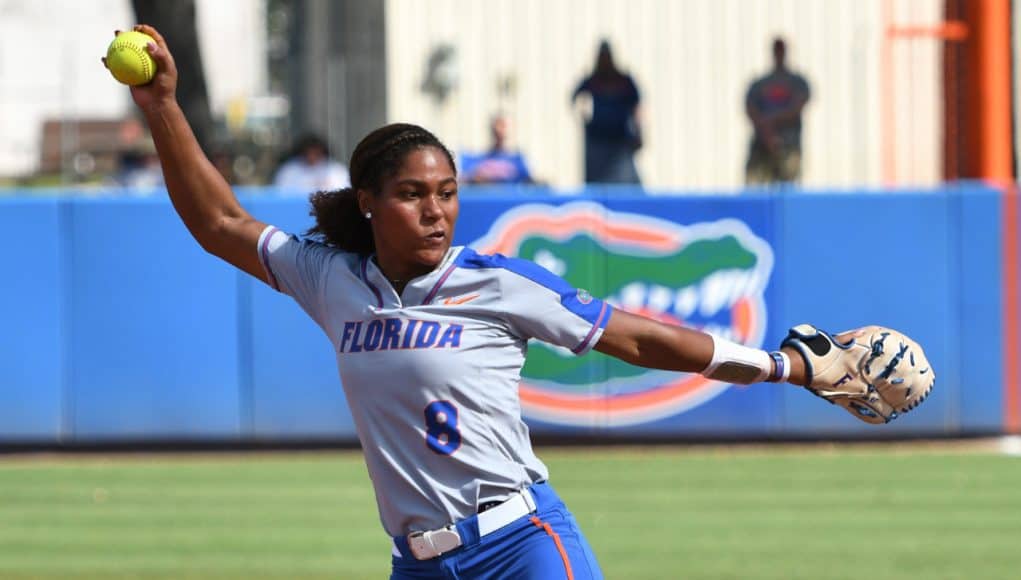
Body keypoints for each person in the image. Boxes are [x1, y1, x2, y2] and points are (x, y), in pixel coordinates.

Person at [109, 25, 819, 580]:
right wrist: (164, 106)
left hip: (520, 546)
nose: (435, 210)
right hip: (417, 564)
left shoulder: (496, 282)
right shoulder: (332, 280)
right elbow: (220, 225)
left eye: (446, 192)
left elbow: (635, 339)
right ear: (369, 202)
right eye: (412, 194)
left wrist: (783, 366)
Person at [571, 40, 642, 185]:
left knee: (625, 181)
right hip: (597, 141)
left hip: (620, 142)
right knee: (597, 182)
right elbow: (574, 98)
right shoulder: (593, 80)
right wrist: (585, 120)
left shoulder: (623, 80)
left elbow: (637, 107)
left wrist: (639, 133)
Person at [744, 37, 811, 186]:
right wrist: (766, 132)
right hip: (762, 144)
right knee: (755, 185)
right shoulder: (760, 83)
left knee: (788, 186)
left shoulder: (797, 82)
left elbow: (798, 106)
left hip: (789, 144)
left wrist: (772, 121)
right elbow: (750, 108)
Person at [459, 114, 534, 185]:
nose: (499, 132)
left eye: (503, 127)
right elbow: (464, 179)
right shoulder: (477, 160)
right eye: (497, 128)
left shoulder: (517, 160)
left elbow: (529, 182)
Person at [273, 132, 351, 192]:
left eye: (316, 153)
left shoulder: (336, 170)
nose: (311, 156)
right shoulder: (288, 171)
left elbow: (344, 190)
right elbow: (281, 194)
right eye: (308, 153)